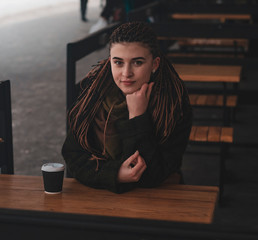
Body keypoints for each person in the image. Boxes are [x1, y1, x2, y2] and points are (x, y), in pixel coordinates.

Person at [62, 22, 192, 193]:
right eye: (118, 62)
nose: (126, 73)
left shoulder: (173, 104)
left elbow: (153, 175)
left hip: (155, 201)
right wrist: (114, 174)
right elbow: (73, 157)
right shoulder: (94, 95)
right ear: (110, 61)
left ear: (154, 64)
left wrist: (137, 117)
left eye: (137, 62)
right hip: (99, 196)